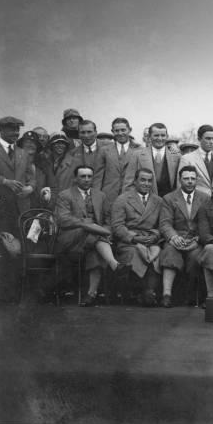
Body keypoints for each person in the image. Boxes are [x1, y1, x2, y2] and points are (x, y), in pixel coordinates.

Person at [55, 165, 130, 306]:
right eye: (82, 176)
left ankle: (91, 294)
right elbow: (63, 219)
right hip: (72, 238)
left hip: (93, 242)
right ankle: (114, 264)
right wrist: (87, 224)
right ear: (75, 178)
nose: (86, 179)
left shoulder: (100, 195)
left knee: (95, 253)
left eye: (89, 176)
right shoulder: (65, 195)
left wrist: (105, 230)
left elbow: (108, 220)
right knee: (95, 234)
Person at [158, 166, 210, 307]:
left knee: (196, 257)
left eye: (193, 178)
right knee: (169, 253)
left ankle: (192, 295)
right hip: (176, 239)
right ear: (180, 180)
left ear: (197, 180)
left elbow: (205, 223)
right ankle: (166, 294)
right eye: (186, 178)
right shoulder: (169, 198)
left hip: (195, 240)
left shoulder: (205, 198)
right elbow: (165, 223)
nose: (189, 181)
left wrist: (198, 240)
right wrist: (173, 237)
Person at [111, 168, 163, 306]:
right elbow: (117, 226)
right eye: (143, 180)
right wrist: (134, 238)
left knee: (157, 256)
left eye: (149, 181)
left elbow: (163, 225)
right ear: (135, 181)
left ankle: (150, 291)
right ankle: (144, 292)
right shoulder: (122, 199)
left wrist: (155, 236)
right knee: (135, 254)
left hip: (150, 241)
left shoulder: (158, 201)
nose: (146, 183)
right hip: (129, 242)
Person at [0, 116, 35, 236]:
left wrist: (30, 188)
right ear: (1, 131)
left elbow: (32, 177)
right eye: (12, 130)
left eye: (17, 130)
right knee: (1, 245)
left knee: (21, 244)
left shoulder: (23, 153)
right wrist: (4, 181)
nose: (16, 133)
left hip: (21, 207)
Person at [93, 117, 143, 204]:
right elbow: (98, 177)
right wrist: (96, 197)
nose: (120, 133)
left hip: (132, 196)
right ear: (112, 131)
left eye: (123, 130)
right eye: (117, 130)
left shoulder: (140, 150)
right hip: (108, 196)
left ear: (129, 130)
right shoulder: (104, 150)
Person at [123, 122, 180, 197]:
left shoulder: (176, 156)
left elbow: (179, 184)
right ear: (149, 137)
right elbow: (129, 183)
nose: (160, 138)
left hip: (169, 203)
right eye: (156, 135)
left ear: (167, 136)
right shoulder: (137, 155)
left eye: (163, 135)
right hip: (145, 202)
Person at [177, 125, 213, 197]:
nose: (211, 142)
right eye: (208, 138)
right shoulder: (187, 159)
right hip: (197, 202)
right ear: (199, 139)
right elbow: (180, 184)